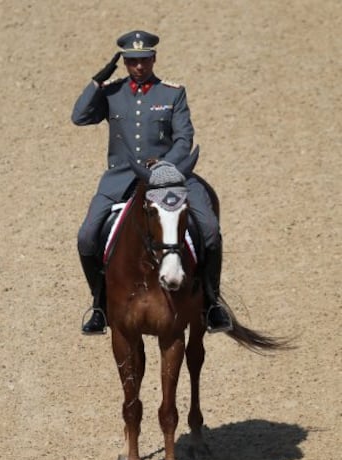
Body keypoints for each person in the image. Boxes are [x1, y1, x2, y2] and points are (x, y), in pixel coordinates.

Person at [72, 30, 232, 334]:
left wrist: (166, 164)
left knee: (210, 229)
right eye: (132, 61)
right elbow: (79, 117)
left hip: (170, 176)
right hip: (120, 178)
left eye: (144, 59)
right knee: (87, 236)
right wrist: (97, 82)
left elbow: (184, 137)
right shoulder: (111, 92)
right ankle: (100, 305)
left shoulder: (172, 93)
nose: (139, 66)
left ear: (153, 58)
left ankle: (212, 304)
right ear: (125, 63)